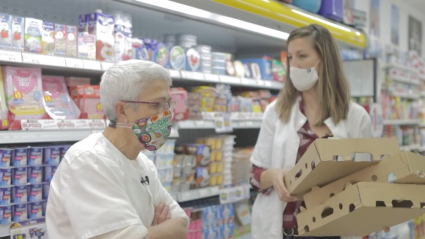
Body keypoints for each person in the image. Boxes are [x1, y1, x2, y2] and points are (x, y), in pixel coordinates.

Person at [249, 24, 373, 239]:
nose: (293, 65)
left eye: (302, 56)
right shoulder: (276, 113)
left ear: (323, 61)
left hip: (335, 231)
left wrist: (378, 212)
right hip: (285, 231)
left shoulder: (356, 118)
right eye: (290, 57)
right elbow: (255, 175)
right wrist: (274, 176)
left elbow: (368, 181)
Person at [46, 60, 189, 239]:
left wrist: (145, 233)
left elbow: (182, 225)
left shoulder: (143, 163)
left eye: (168, 104)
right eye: (157, 105)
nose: (166, 114)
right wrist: (155, 232)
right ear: (122, 110)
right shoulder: (88, 161)